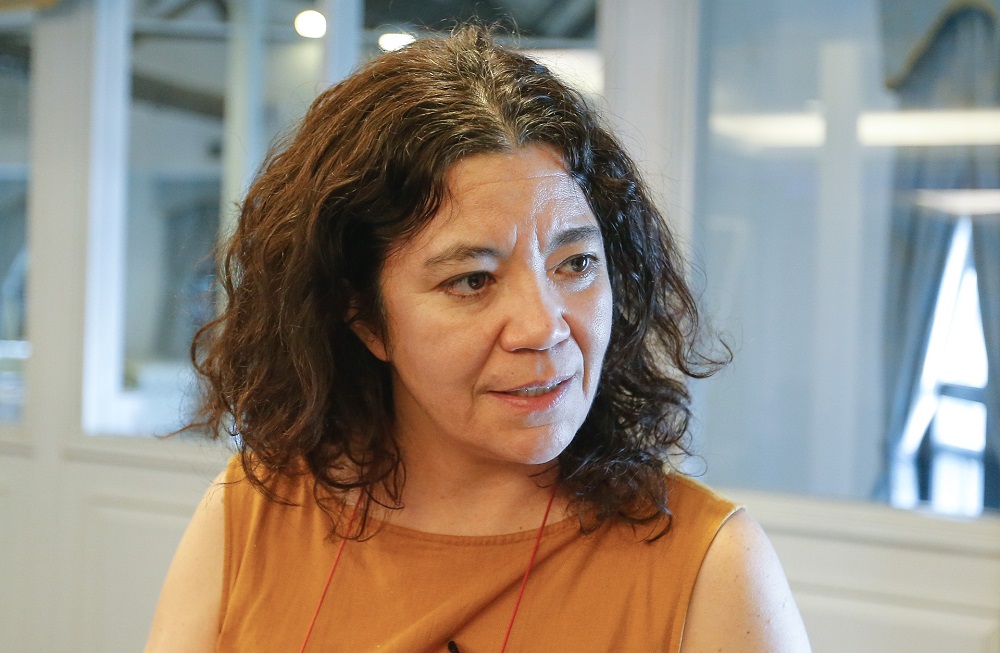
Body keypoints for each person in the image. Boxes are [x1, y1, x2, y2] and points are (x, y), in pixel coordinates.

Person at [145, 26, 812, 653]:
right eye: (472, 279)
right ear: (365, 317)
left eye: (575, 263)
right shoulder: (252, 512)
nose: (543, 326)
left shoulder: (709, 565)